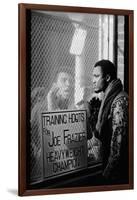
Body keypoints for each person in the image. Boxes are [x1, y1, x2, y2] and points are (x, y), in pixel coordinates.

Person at [91, 59, 128, 184]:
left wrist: (105, 177)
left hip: (118, 176)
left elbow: (118, 147)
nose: (93, 80)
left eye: (96, 76)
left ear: (107, 77)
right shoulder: (109, 99)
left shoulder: (120, 102)